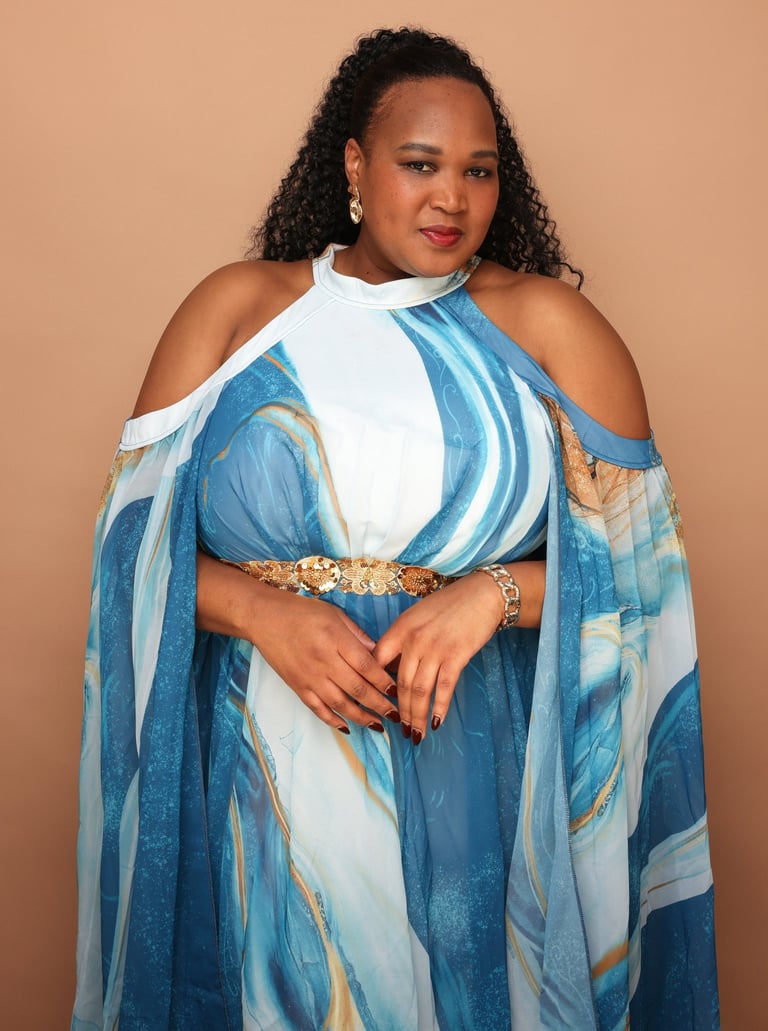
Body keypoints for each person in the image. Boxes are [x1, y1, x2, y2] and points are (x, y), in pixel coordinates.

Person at [72, 26, 719, 1031]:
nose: (451, 199)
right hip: (262, 780)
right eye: (420, 165)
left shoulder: (550, 328)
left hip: (477, 771)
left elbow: (644, 576)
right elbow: (130, 553)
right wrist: (262, 611)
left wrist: (490, 596)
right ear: (354, 166)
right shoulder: (240, 312)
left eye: (478, 171)